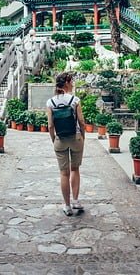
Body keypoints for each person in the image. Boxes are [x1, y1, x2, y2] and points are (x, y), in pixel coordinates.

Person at [46, 72, 86, 216]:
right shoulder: (75, 100)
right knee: (75, 169)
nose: (73, 83)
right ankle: (75, 200)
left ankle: (67, 206)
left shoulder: (50, 102)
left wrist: (53, 139)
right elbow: (81, 122)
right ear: (67, 83)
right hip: (75, 138)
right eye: (72, 81)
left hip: (60, 140)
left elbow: (50, 125)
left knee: (64, 173)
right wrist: (83, 136)